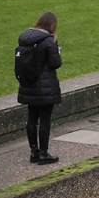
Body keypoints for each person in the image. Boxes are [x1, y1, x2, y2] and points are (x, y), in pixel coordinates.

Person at [16, 12, 62, 165]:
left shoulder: (25, 38)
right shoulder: (49, 41)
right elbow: (55, 63)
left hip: (29, 85)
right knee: (45, 120)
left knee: (31, 119)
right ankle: (44, 153)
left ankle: (33, 151)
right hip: (45, 86)